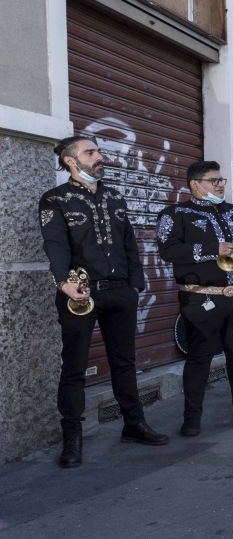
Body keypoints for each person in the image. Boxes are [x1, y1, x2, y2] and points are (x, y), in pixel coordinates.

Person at [39, 135, 169, 468]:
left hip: (121, 292)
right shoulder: (55, 200)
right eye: (91, 152)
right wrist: (64, 282)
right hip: (80, 293)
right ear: (70, 160)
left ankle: (133, 424)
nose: (100, 156)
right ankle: (72, 438)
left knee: (125, 362)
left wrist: (136, 286)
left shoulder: (114, 196)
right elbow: (55, 244)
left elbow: (130, 245)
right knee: (74, 367)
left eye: (98, 151)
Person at [156, 160, 233, 437]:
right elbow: (168, 251)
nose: (220, 184)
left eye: (221, 180)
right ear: (195, 184)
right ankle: (192, 418)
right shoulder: (175, 213)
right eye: (213, 180)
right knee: (199, 357)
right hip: (201, 299)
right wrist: (212, 248)